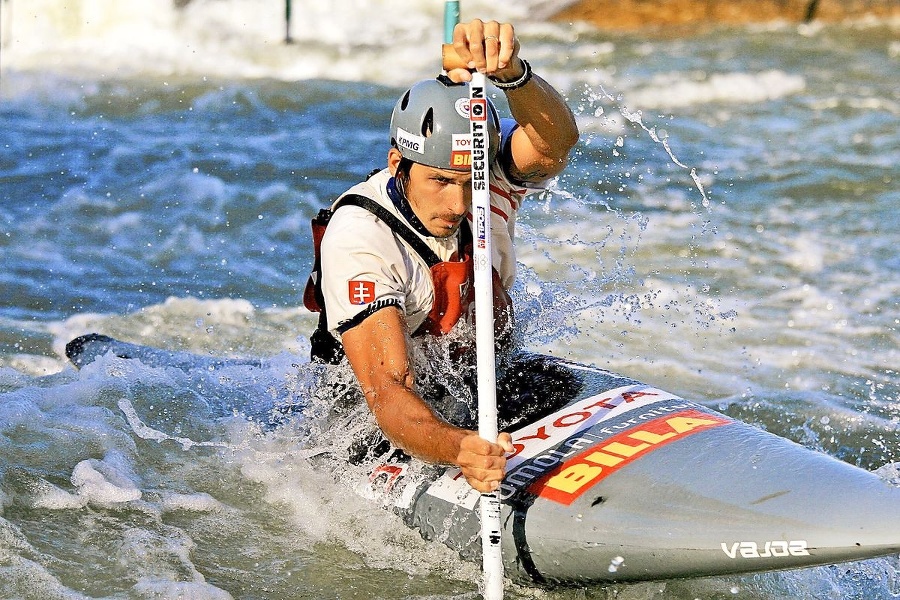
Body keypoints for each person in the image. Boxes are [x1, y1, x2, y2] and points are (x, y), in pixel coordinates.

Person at [304, 19, 579, 494]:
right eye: (440, 182)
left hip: (473, 375)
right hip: (372, 417)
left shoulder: (485, 172)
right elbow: (390, 390)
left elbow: (556, 143)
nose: (459, 205)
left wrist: (514, 75)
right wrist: (459, 450)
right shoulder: (361, 238)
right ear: (398, 165)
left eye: (472, 182)